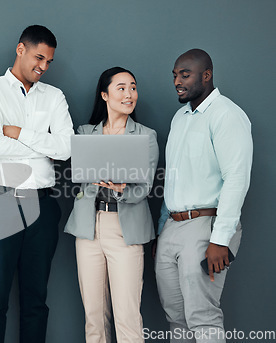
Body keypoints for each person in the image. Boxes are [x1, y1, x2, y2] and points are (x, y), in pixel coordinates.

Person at [0, 25, 74, 343]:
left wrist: (18, 133)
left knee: (36, 301)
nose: (43, 67)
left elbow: (67, 149)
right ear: (21, 49)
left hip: (42, 205)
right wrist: (43, 146)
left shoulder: (54, 96)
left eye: (49, 61)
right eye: (38, 57)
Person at [155, 49, 253, 342]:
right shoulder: (180, 117)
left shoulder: (227, 115)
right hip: (172, 227)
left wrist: (220, 239)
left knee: (203, 317)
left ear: (206, 76)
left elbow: (236, 178)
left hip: (205, 227)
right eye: (175, 75)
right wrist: (161, 231)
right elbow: (173, 177)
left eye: (185, 74)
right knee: (176, 320)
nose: (177, 81)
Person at [65, 67, 159, 343]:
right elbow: (79, 180)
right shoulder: (85, 132)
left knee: (127, 316)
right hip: (89, 227)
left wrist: (122, 190)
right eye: (121, 88)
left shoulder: (146, 135)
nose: (129, 94)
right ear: (105, 95)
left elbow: (144, 188)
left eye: (133, 87)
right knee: (94, 317)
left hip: (125, 229)